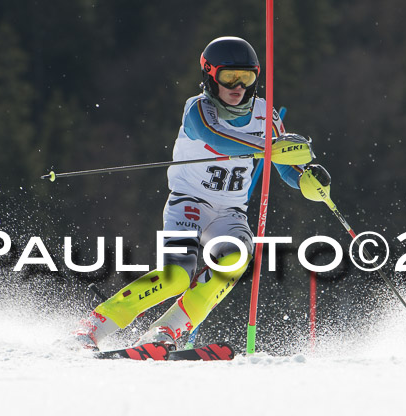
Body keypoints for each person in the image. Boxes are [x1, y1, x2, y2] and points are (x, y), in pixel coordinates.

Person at [73, 36, 330, 351]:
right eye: (228, 77)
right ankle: (94, 326)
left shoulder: (267, 116)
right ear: (210, 76)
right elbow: (216, 139)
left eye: (246, 78)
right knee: (176, 277)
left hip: (230, 214)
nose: (237, 86)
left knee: (236, 259)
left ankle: (165, 332)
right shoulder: (198, 109)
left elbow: (287, 169)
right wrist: (268, 149)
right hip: (189, 205)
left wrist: (308, 179)